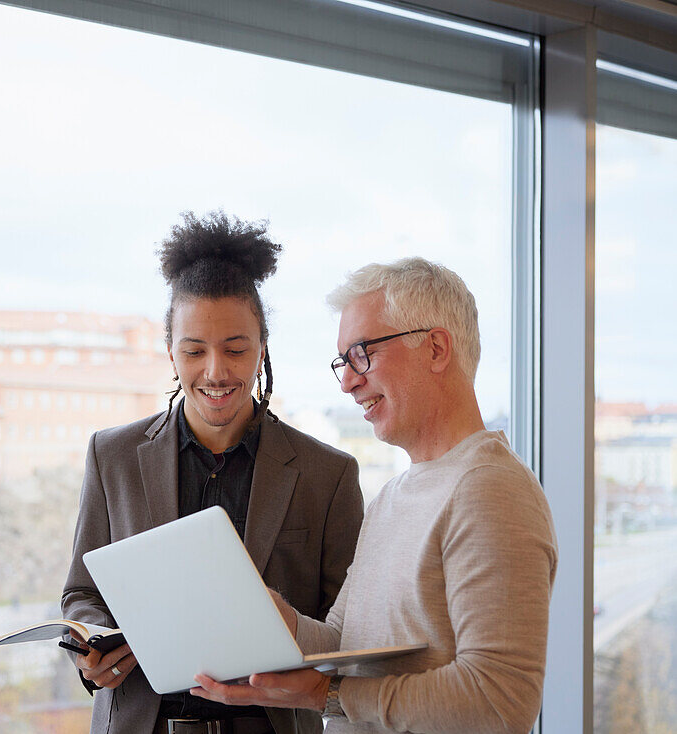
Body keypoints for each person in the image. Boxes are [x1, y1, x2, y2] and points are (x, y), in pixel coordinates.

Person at [190, 257, 559, 734]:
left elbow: (500, 699)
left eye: (362, 353)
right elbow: (346, 639)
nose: (347, 381)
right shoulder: (392, 496)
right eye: (342, 362)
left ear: (436, 348)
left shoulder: (491, 490)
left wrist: (329, 694)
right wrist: (278, 619)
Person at [61, 211, 365, 734]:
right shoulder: (110, 456)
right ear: (171, 352)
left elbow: (351, 635)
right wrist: (91, 648)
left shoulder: (328, 474)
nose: (216, 372)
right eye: (194, 351)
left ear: (263, 349)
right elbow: (81, 594)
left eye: (236, 349)